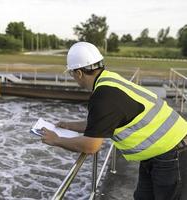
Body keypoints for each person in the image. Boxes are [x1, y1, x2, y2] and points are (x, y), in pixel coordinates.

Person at [41, 41, 187, 200]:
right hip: (161, 151)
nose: (73, 77)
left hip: (172, 154)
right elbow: (101, 123)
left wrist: (57, 140)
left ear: (79, 73)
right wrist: (69, 125)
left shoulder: (103, 97)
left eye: (71, 73)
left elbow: (91, 146)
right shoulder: (109, 80)